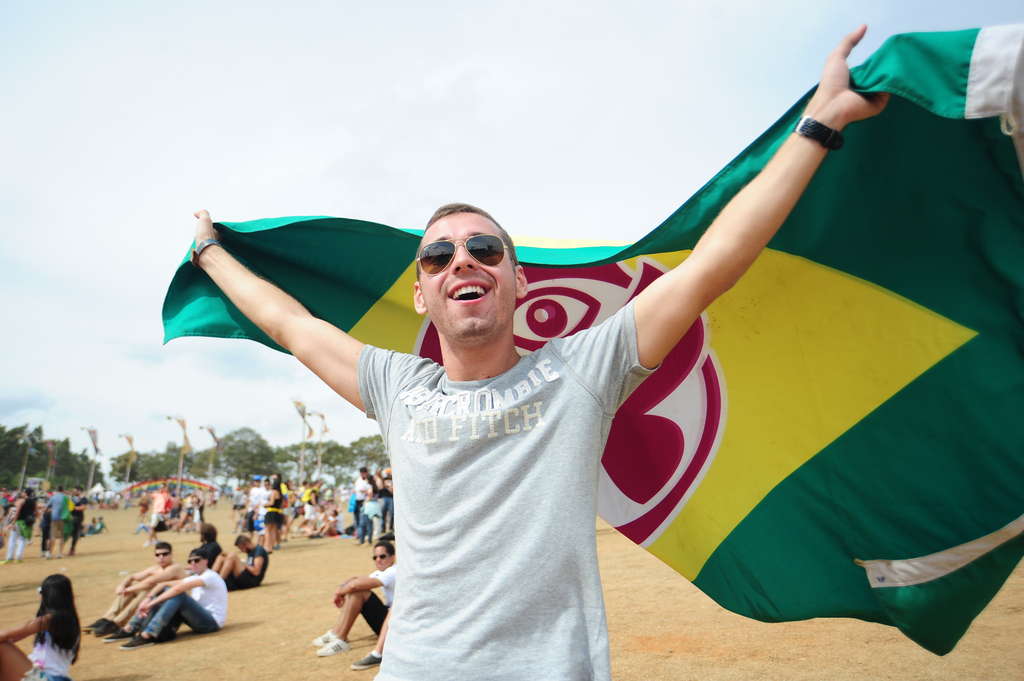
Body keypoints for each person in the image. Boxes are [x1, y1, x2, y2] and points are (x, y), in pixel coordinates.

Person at [189, 27, 886, 680]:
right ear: (423, 293)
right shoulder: (397, 385)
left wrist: (817, 128)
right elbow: (289, 322)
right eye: (439, 255)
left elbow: (713, 264)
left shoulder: (579, 371)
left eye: (483, 248)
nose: (461, 259)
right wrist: (211, 253)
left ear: (519, 281)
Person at [110, 549, 228, 650]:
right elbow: (162, 584)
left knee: (178, 594)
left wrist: (151, 604)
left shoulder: (210, 576)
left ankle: (148, 634)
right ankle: (131, 628)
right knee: (166, 590)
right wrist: (148, 598)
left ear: (206, 561)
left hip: (211, 623)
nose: (193, 563)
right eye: (190, 561)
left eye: (197, 560)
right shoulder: (196, 576)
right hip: (200, 619)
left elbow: (178, 590)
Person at [312, 540, 396, 658]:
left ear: (393, 557)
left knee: (359, 592)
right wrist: (342, 588)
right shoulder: (382, 572)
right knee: (355, 590)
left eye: (382, 556)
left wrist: (339, 592)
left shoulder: (393, 571)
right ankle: (336, 633)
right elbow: (355, 580)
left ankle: (341, 638)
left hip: (395, 624)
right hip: (388, 620)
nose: (378, 560)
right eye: (375, 557)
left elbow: (355, 585)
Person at [84, 541, 186, 637]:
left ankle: (117, 623)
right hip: (156, 602)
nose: (161, 557)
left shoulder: (175, 568)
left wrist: (127, 590)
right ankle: (106, 619)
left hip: (174, 605)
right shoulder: (155, 568)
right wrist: (122, 585)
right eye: (158, 555)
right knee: (134, 589)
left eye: (165, 554)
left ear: (171, 554)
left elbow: (151, 582)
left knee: (145, 589)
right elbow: (132, 577)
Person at [0, 574, 80, 681]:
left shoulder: (52, 620)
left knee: (2, 645)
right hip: (52, 677)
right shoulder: (68, 619)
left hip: (50, 678)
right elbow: (13, 636)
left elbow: (8, 634)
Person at [1, 489, 36, 565]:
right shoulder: (33, 502)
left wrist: (12, 523)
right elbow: (34, 512)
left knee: (12, 540)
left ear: (25, 493)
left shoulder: (22, 501)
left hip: (19, 522)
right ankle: (18, 558)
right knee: (22, 540)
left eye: (23, 492)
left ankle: (9, 558)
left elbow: (17, 512)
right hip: (27, 523)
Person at [44, 488, 68, 559]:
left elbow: (47, 507)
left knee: (52, 536)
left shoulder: (53, 497)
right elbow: (71, 508)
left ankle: (49, 554)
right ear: (63, 491)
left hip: (54, 518)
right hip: (63, 518)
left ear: (57, 490)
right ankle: (60, 553)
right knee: (63, 536)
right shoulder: (66, 498)